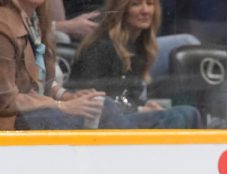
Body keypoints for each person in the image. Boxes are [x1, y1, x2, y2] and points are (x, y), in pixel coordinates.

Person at [0, 0, 139, 130]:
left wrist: (66, 96)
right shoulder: (3, 28)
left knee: (100, 103)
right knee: (103, 109)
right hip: (15, 124)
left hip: (39, 112)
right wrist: (62, 106)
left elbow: (37, 81)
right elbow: (5, 101)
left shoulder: (35, 19)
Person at [68, 0, 201, 128]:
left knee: (188, 113)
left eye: (150, 4)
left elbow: (129, 94)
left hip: (126, 116)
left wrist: (146, 105)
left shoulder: (140, 46)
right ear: (121, 10)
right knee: (181, 116)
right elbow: (94, 101)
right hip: (101, 124)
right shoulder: (101, 46)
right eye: (136, 4)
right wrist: (139, 109)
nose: (145, 11)